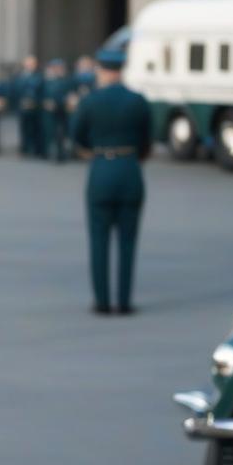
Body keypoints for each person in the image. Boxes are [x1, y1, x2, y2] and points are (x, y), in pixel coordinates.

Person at [71, 46, 152, 314]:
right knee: (128, 242)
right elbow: (147, 141)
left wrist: (93, 149)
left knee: (99, 240)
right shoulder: (138, 100)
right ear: (121, 69)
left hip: (101, 170)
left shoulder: (90, 101)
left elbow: (77, 136)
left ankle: (103, 302)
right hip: (130, 170)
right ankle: (125, 302)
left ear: (102, 70)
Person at [40, 57, 71, 163]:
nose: (57, 69)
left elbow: (69, 96)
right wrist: (45, 102)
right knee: (48, 132)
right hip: (48, 111)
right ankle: (46, 152)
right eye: (54, 67)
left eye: (59, 67)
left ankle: (60, 155)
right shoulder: (46, 80)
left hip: (61, 111)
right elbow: (41, 93)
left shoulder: (66, 81)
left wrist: (58, 103)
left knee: (60, 133)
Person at [13, 53, 44, 157]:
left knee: (35, 128)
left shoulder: (39, 76)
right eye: (28, 63)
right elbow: (15, 90)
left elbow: (41, 91)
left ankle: (35, 149)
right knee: (24, 128)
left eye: (32, 63)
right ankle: (25, 148)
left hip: (35, 107)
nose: (30, 65)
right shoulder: (19, 76)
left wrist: (34, 101)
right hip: (22, 106)